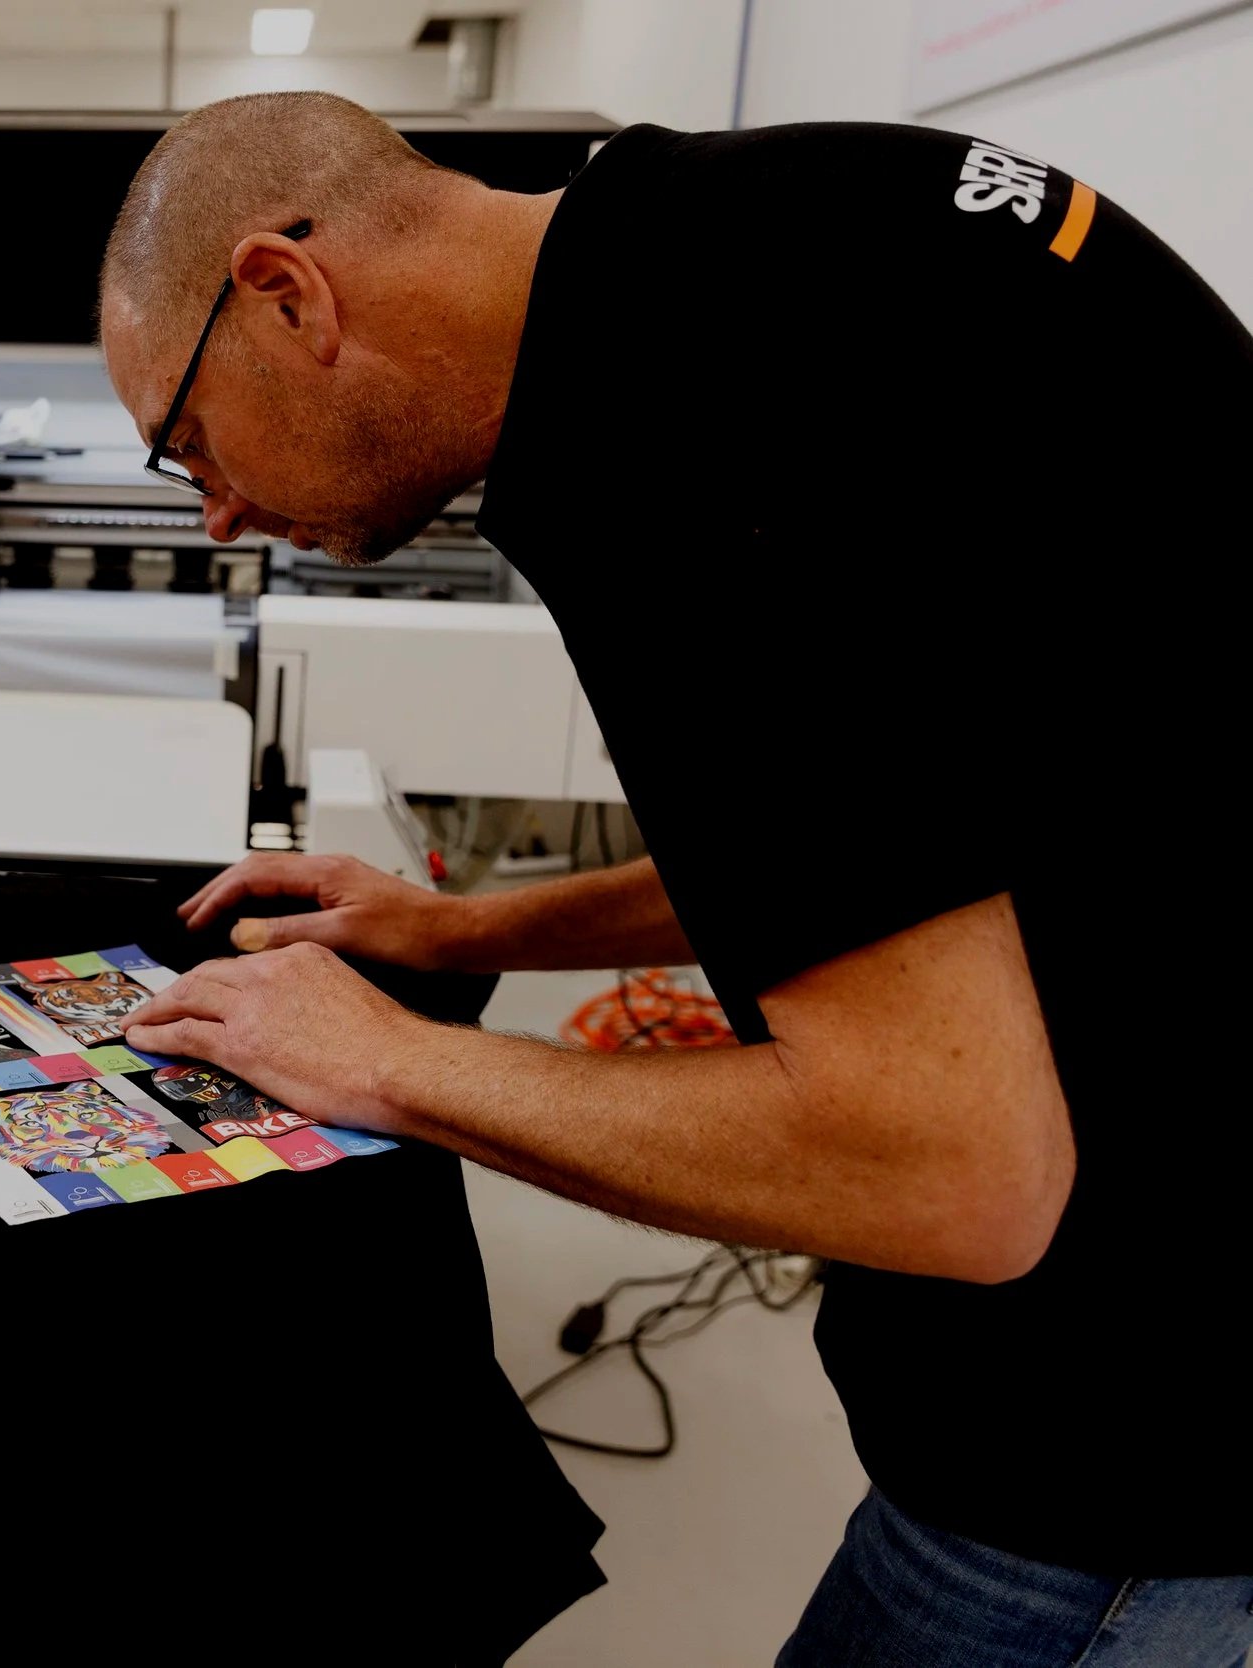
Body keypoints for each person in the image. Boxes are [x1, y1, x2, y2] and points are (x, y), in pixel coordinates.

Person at [98, 92, 1253, 1666]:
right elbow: (900, 842)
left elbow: (956, 1177)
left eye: (189, 444)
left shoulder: (673, 438)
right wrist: (474, 928)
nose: (222, 512)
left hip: (1137, 1439)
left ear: (287, 294)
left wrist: (386, 1064)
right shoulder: (749, 224)